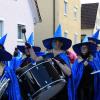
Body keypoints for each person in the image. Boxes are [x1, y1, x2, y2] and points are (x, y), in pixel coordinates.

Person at [26, 24, 72, 100]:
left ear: (62, 43)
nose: (57, 43)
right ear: (52, 42)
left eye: (59, 41)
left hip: (62, 88)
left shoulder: (64, 56)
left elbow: (69, 73)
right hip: (50, 88)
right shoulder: (48, 54)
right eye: (55, 41)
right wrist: (30, 48)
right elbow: (35, 59)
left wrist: (58, 62)